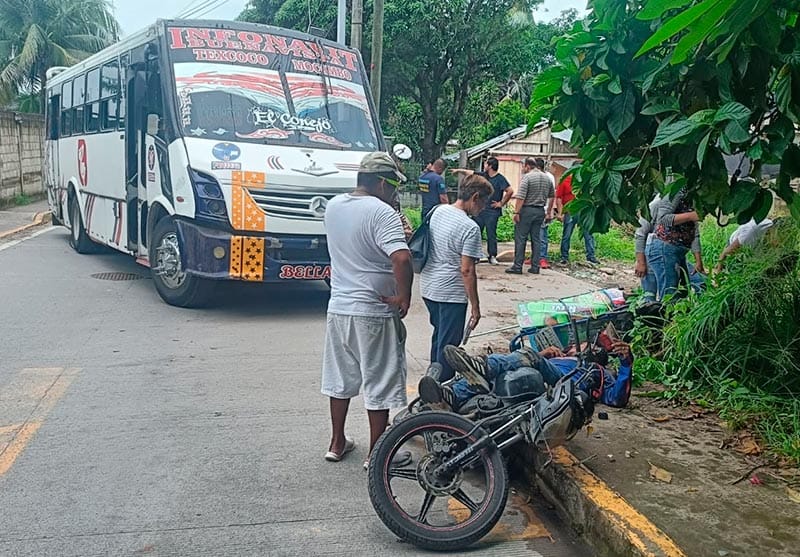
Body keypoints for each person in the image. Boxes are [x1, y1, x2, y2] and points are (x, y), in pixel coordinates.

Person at [321, 152, 414, 468]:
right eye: (393, 186)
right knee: (380, 381)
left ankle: (337, 442)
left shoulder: (333, 206)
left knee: (340, 378)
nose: (395, 193)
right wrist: (404, 296)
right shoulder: (382, 211)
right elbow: (401, 258)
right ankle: (378, 454)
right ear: (382, 183)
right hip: (373, 309)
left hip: (340, 308)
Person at [418, 341, 633, 412]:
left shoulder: (597, 371)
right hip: (546, 374)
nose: (581, 346)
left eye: (588, 346)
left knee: (527, 354)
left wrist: (625, 364)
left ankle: (484, 366)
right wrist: (542, 356)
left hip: (564, 386)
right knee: (508, 368)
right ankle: (451, 396)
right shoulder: (561, 356)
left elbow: (617, 399)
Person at [421, 175, 493, 382]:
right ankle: (439, 392)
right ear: (475, 197)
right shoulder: (470, 228)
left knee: (439, 338)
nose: (484, 207)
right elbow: (467, 271)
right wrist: (476, 307)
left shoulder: (438, 211)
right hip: (451, 294)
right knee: (449, 348)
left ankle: (432, 379)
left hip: (429, 288)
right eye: (484, 202)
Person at [450, 157, 513, 265]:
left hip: (492, 211)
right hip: (479, 210)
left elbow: (510, 191)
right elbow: (470, 172)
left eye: (485, 164)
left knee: (491, 234)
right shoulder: (483, 176)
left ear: (490, 166)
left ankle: (492, 255)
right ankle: (475, 255)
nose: (484, 166)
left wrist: (501, 203)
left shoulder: (500, 179)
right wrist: (458, 170)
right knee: (476, 232)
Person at [645, 189, 706, 300]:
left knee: (683, 292)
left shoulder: (693, 199)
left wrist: (698, 261)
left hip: (678, 250)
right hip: (664, 247)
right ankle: (663, 315)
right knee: (670, 295)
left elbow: (694, 232)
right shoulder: (677, 192)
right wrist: (691, 216)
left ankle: (672, 315)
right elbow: (663, 219)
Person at [506, 157, 555, 275]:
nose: (523, 169)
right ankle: (535, 266)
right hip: (540, 211)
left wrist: (516, 212)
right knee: (536, 239)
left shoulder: (527, 177)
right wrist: (548, 211)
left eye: (523, 166)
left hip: (527, 210)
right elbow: (552, 195)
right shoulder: (546, 178)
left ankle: (517, 266)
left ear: (528, 166)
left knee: (521, 238)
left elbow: (521, 197)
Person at [554, 173, 598, 265]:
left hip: (583, 211)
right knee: (567, 234)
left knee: (588, 234)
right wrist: (560, 213)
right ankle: (564, 257)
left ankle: (591, 256)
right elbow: (559, 197)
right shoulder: (565, 180)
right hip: (570, 211)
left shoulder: (586, 180)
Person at [537, 159, 557, 269]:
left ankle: (543, 257)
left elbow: (552, 195)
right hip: (535, 209)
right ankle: (536, 257)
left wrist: (549, 211)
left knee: (542, 235)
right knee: (535, 235)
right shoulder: (533, 176)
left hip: (544, 209)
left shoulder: (549, 177)